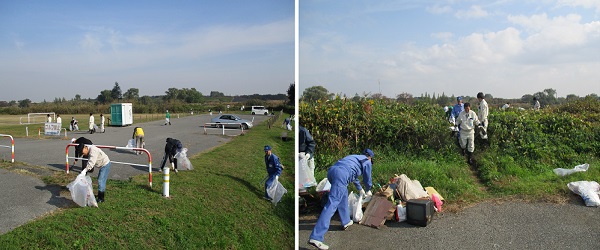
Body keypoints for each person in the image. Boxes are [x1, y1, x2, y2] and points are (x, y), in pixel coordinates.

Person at [308, 149, 374, 250]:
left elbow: (352, 175)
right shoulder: (367, 161)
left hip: (332, 171)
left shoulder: (354, 157)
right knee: (332, 203)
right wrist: (368, 189)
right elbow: (367, 178)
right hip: (342, 175)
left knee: (343, 192)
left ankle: (346, 221)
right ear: (370, 157)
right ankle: (316, 237)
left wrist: (360, 189)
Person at [299, 126, 316, 191]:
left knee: (310, 172)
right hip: (300, 157)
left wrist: (308, 153)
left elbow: (312, 143)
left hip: (307, 155)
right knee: (303, 175)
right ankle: (303, 190)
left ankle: (310, 189)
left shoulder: (303, 131)